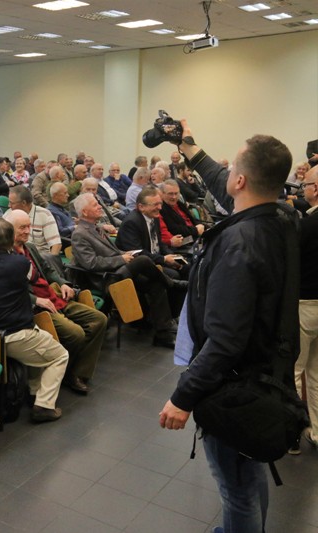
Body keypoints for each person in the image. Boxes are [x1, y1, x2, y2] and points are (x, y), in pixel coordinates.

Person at [159, 121, 297, 533]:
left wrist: (183, 396)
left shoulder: (238, 244)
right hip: (264, 368)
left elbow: (224, 340)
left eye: (233, 168)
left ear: (241, 180)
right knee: (250, 473)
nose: (228, 175)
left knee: (236, 488)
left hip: (234, 384)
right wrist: (189, 147)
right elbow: (228, 187)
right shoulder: (280, 216)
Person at [0, 218, 69, 423]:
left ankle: (34, 393)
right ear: (12, 240)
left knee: (41, 344)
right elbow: (34, 279)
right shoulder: (21, 264)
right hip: (18, 334)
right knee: (60, 356)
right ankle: (44, 405)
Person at [4, 210, 107, 394]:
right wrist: (36, 300)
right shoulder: (4, 256)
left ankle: (76, 372)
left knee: (99, 319)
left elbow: (47, 270)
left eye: (28, 226)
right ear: (9, 229)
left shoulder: (30, 247)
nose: (27, 231)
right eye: (22, 228)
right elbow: (9, 290)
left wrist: (63, 283)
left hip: (54, 296)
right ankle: (67, 373)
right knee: (75, 334)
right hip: (36, 307)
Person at [71, 193, 178, 348]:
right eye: (95, 205)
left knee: (155, 283)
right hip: (106, 278)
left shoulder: (96, 228)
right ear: (85, 212)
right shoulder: (80, 234)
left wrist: (126, 254)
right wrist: (121, 259)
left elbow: (113, 252)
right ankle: (172, 283)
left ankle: (163, 334)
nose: (100, 206)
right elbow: (91, 263)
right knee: (143, 260)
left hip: (119, 271)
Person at [295, 164, 318, 449]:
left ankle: (291, 432)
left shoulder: (308, 225)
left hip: (306, 305)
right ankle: (317, 431)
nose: (303, 191)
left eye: (306, 186)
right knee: (316, 375)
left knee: (295, 370)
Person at [6, 185, 62, 256]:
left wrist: (51, 261)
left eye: (12, 203)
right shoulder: (8, 214)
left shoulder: (44, 215)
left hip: (39, 258)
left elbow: (56, 244)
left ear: (23, 203)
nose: (9, 205)